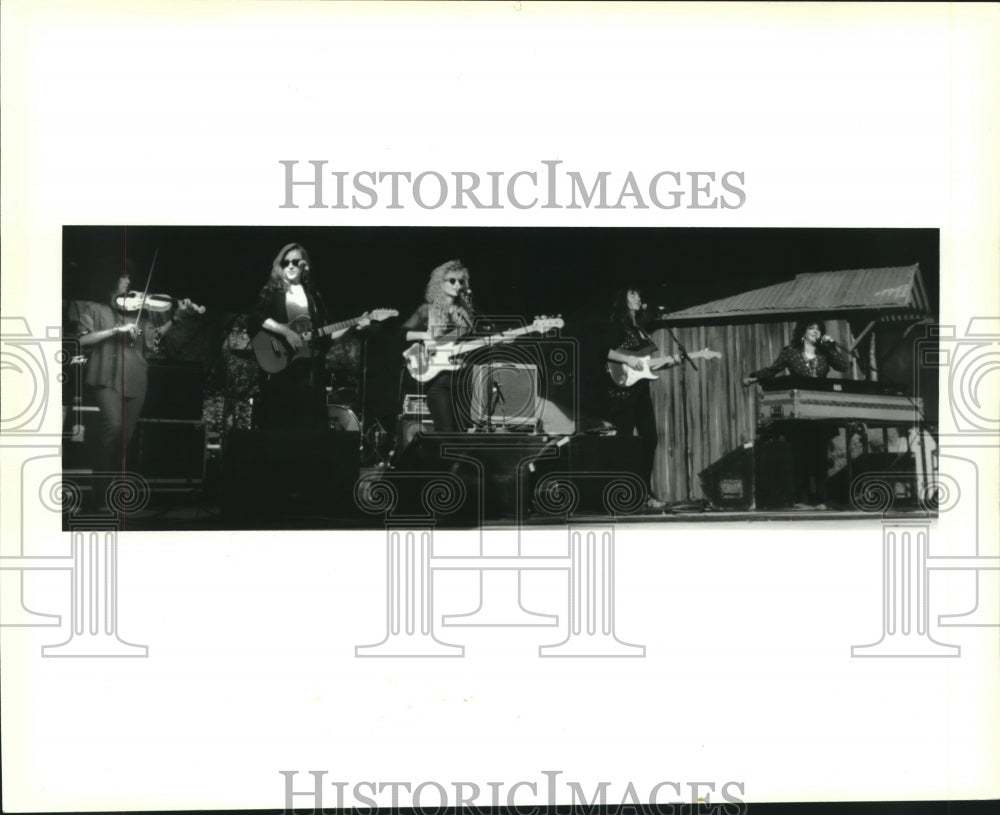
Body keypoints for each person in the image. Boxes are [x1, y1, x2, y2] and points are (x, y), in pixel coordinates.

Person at [75, 257, 196, 477]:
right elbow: (81, 340)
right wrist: (114, 330)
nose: (128, 280)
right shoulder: (94, 309)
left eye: (129, 276)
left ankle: (114, 490)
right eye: (123, 276)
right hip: (105, 378)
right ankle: (98, 489)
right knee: (113, 427)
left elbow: (154, 341)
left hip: (135, 378)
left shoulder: (140, 313)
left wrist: (176, 319)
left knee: (125, 439)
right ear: (109, 278)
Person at [247, 242, 364, 431]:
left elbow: (326, 333)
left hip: (309, 369)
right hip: (280, 366)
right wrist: (287, 332)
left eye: (295, 261)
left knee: (308, 421)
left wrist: (355, 324)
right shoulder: (272, 290)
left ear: (304, 265)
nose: (290, 266)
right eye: (285, 262)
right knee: (280, 420)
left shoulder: (313, 296)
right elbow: (257, 317)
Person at [742, 319, 852, 507]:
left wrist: (831, 346)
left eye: (819, 329)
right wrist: (753, 377)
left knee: (820, 456)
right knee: (800, 454)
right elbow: (773, 369)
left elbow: (843, 367)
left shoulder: (826, 353)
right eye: (812, 328)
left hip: (820, 410)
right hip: (798, 412)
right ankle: (801, 498)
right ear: (803, 332)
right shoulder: (791, 353)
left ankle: (821, 498)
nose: (816, 332)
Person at [605, 286, 682, 511]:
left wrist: (674, 360)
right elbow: (604, 351)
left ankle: (644, 492)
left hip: (642, 391)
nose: (638, 298)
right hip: (622, 391)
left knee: (650, 439)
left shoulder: (641, 329)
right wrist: (627, 360)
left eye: (639, 294)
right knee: (625, 442)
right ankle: (622, 494)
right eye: (632, 294)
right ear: (622, 299)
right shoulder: (618, 324)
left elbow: (646, 365)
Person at [401, 259, 476, 433]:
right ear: (439, 283)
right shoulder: (427, 310)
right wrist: (424, 335)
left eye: (461, 281)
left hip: (463, 378)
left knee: (463, 434)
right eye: (452, 280)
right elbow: (401, 334)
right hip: (438, 382)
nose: (457, 285)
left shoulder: (464, 314)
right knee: (446, 432)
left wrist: (502, 338)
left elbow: (471, 344)